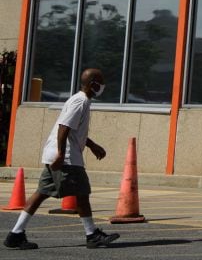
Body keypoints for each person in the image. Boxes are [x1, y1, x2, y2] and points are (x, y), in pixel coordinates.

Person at [5, 68, 119, 250]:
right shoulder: (80, 101)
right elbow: (63, 127)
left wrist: (91, 145)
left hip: (61, 154)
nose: (103, 85)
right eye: (101, 82)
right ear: (93, 84)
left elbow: (72, 129)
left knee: (41, 193)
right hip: (66, 157)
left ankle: (15, 234)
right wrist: (60, 153)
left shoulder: (82, 101)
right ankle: (92, 235)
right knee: (82, 193)